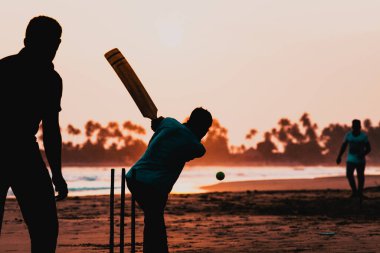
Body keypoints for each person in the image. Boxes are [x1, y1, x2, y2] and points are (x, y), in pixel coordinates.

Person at [0, 16, 68, 252]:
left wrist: (56, 173)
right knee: (45, 228)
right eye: (46, 43)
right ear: (27, 41)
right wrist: (56, 173)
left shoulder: (51, 79)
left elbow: (51, 130)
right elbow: (50, 130)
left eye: (54, 44)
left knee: (46, 228)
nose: (52, 49)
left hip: (24, 153)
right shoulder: (7, 69)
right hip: (16, 152)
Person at [126, 107, 213, 253]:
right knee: (155, 221)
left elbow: (156, 125)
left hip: (134, 177)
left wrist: (158, 123)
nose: (206, 133)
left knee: (153, 219)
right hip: (153, 185)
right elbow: (199, 150)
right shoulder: (193, 144)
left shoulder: (169, 122)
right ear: (201, 127)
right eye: (206, 129)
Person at [336, 119, 371, 198]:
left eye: (357, 127)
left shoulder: (363, 136)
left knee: (360, 176)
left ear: (360, 127)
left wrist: (363, 154)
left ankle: (360, 193)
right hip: (350, 159)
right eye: (354, 127)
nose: (355, 128)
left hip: (360, 160)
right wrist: (339, 156)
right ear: (352, 127)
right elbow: (344, 147)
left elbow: (368, 148)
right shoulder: (348, 135)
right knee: (349, 175)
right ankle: (354, 192)